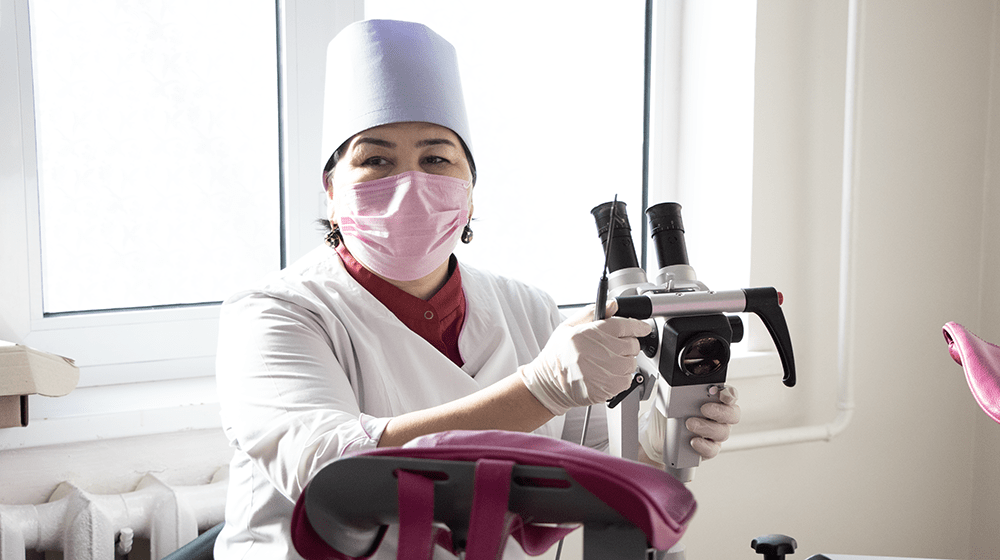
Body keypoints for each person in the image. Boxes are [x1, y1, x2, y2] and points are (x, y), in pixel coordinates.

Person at [213, 19, 740, 560]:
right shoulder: (273, 316)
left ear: (468, 193)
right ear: (330, 191)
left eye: (436, 158)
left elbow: (594, 466)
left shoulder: (527, 308)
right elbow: (333, 472)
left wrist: (655, 443)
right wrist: (541, 389)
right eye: (376, 159)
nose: (410, 181)